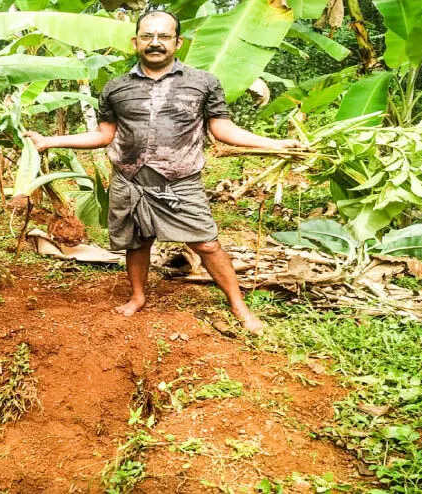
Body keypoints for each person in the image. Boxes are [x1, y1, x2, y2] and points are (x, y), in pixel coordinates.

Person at [23, 10, 300, 334]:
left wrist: (274, 143)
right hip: (129, 181)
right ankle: (138, 296)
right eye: (148, 36)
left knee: (207, 244)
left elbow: (223, 128)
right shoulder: (115, 88)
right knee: (136, 243)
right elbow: (104, 134)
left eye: (164, 36)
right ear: (135, 41)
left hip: (179, 183)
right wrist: (48, 141)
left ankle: (239, 306)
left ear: (177, 42)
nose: (156, 42)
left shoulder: (203, 83)